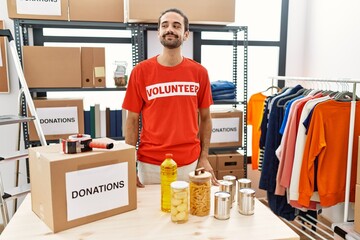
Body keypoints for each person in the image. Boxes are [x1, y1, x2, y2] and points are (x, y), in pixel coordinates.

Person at [122, 8, 218, 187]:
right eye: (164, 25)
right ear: (158, 32)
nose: (170, 29)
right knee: (150, 215)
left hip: (189, 163)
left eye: (176, 25)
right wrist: (129, 164)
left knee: (187, 213)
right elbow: (132, 120)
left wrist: (204, 157)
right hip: (150, 164)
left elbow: (206, 118)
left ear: (186, 34)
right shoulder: (140, 72)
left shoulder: (199, 73)